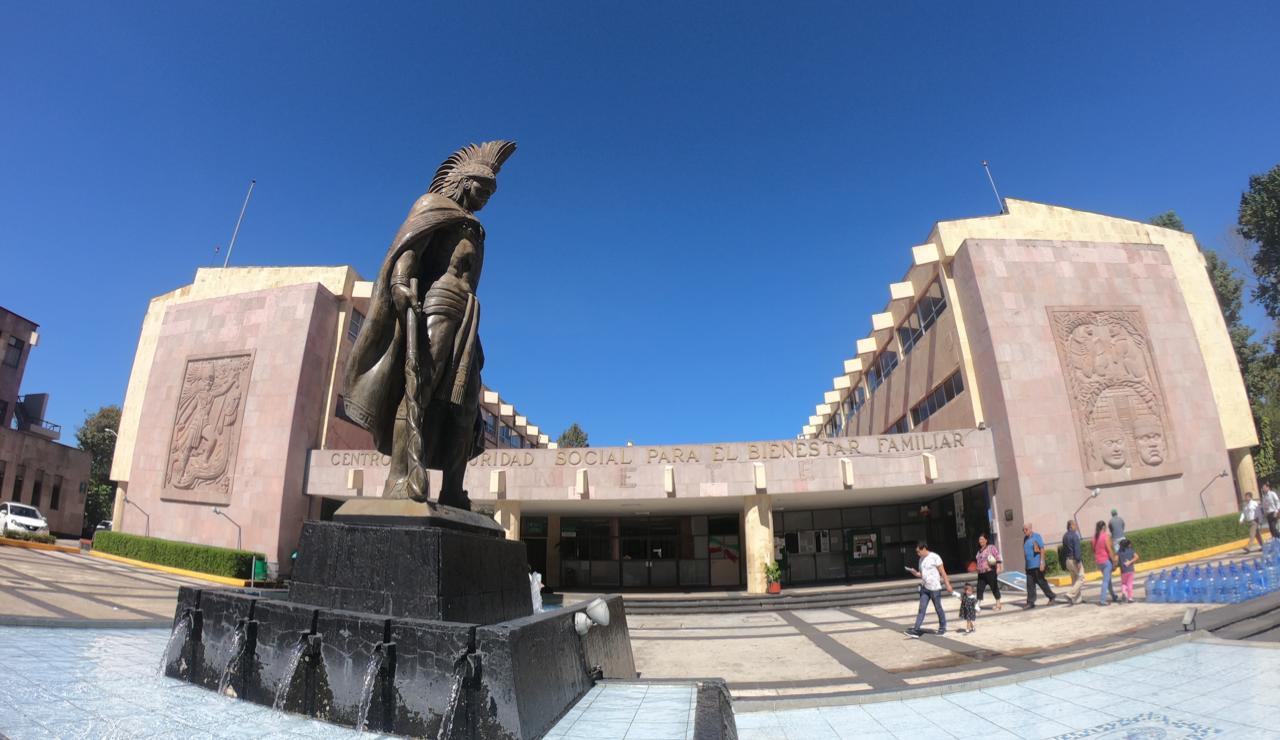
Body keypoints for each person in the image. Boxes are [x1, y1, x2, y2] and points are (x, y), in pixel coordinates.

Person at [343, 140, 518, 509]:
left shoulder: (475, 226)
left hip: (467, 315)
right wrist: (399, 284)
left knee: (466, 403)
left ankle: (453, 488)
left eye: (490, 193)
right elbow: (408, 250)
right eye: (481, 189)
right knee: (418, 389)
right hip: (437, 305)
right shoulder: (432, 206)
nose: (485, 198)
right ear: (463, 182)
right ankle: (401, 478)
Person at [904, 542, 953, 637]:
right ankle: (916, 630)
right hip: (925, 588)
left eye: (918, 551)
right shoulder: (920, 560)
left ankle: (942, 628)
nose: (917, 553)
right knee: (921, 609)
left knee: (938, 608)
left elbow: (943, 572)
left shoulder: (935, 557)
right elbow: (921, 574)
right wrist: (914, 573)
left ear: (924, 549)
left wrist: (948, 585)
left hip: (935, 588)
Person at [1022, 522, 1056, 608]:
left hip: (1037, 565)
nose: (1024, 531)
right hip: (1029, 566)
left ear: (1030, 529)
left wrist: (1042, 563)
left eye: (1026, 529)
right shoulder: (1025, 539)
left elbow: (1042, 549)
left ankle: (1051, 597)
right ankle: (1030, 602)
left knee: (1041, 582)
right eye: (1023, 530)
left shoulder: (1037, 536)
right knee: (1030, 584)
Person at [974, 534, 1002, 611]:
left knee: (994, 587)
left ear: (986, 540)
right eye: (980, 540)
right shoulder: (979, 551)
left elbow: (998, 556)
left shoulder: (991, 547)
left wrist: (999, 567)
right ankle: (978, 604)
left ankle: (998, 604)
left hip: (990, 572)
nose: (981, 541)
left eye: (982, 539)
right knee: (979, 588)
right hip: (981, 573)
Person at [1062, 520, 1085, 606]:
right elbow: (1077, 549)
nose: (1076, 527)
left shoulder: (1064, 536)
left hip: (1068, 560)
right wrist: (1078, 561)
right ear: (1071, 526)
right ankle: (1070, 594)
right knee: (1081, 578)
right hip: (1074, 560)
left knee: (1075, 580)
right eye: (1075, 525)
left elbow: (1064, 551)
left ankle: (1077, 600)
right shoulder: (1074, 536)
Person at [1094, 520, 1114, 606]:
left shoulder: (1094, 537)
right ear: (1103, 527)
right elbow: (1109, 550)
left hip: (1099, 561)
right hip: (1106, 561)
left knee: (1108, 580)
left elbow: (1094, 550)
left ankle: (1114, 596)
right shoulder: (1106, 536)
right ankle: (1102, 600)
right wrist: (1114, 560)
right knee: (1106, 581)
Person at [1117, 538, 1139, 603]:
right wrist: (1130, 562)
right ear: (1128, 545)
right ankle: (1130, 598)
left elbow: (1116, 559)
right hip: (1130, 570)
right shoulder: (1131, 550)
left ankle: (1124, 593)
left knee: (1124, 583)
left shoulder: (1119, 552)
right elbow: (1137, 557)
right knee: (1129, 584)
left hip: (1123, 571)